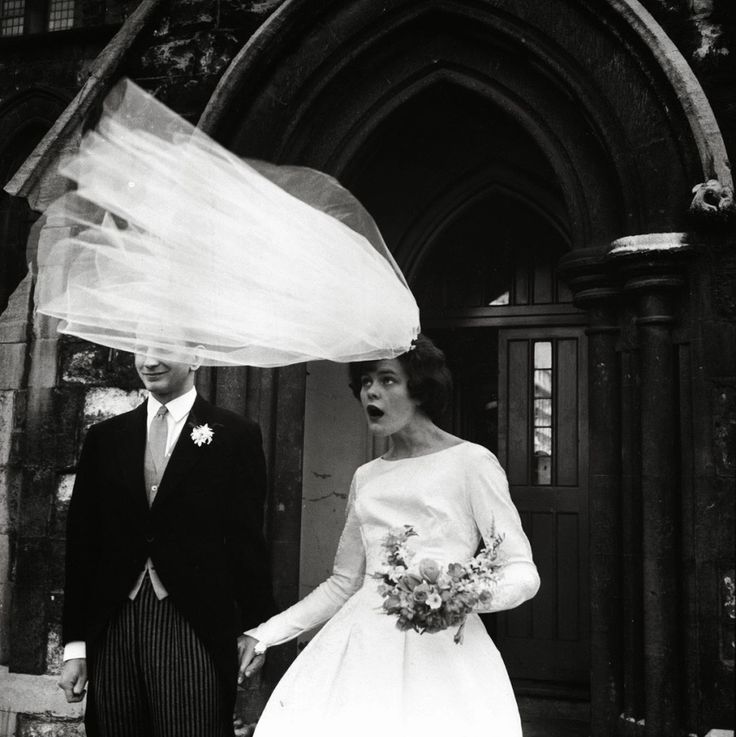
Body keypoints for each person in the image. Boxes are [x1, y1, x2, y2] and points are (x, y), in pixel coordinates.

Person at [239, 334, 541, 737]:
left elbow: (522, 571)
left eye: (387, 380)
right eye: (365, 382)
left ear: (420, 388)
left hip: (443, 651)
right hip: (362, 649)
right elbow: (343, 583)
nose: (371, 392)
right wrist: (265, 634)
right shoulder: (367, 476)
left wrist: (460, 596)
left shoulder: (471, 462)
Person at [58, 341, 276, 737]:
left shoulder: (235, 435)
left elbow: (247, 542)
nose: (149, 360)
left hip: (194, 623)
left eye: (163, 348)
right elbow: (83, 545)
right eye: (140, 347)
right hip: (114, 625)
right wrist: (75, 645)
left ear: (196, 356)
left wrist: (256, 628)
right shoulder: (105, 437)